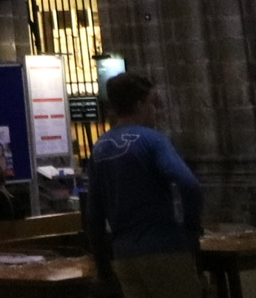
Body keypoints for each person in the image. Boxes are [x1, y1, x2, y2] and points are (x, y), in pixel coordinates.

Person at [86, 73, 204, 298]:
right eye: (152, 104)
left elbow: (94, 214)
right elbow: (189, 184)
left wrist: (102, 266)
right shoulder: (153, 139)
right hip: (163, 248)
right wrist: (190, 230)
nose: (155, 111)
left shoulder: (99, 148)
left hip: (124, 255)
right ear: (140, 105)